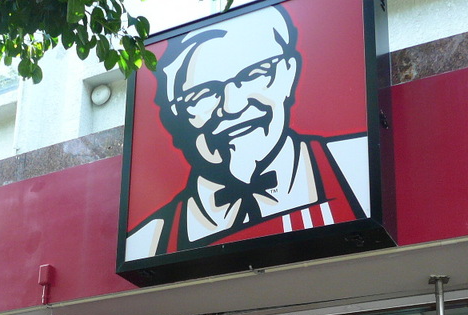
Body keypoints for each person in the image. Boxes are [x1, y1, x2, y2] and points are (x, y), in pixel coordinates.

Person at [125, 5, 369, 261]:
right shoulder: (147, 243)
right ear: (175, 116)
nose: (233, 106)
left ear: (288, 74)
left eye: (254, 74)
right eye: (203, 94)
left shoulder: (356, 169)